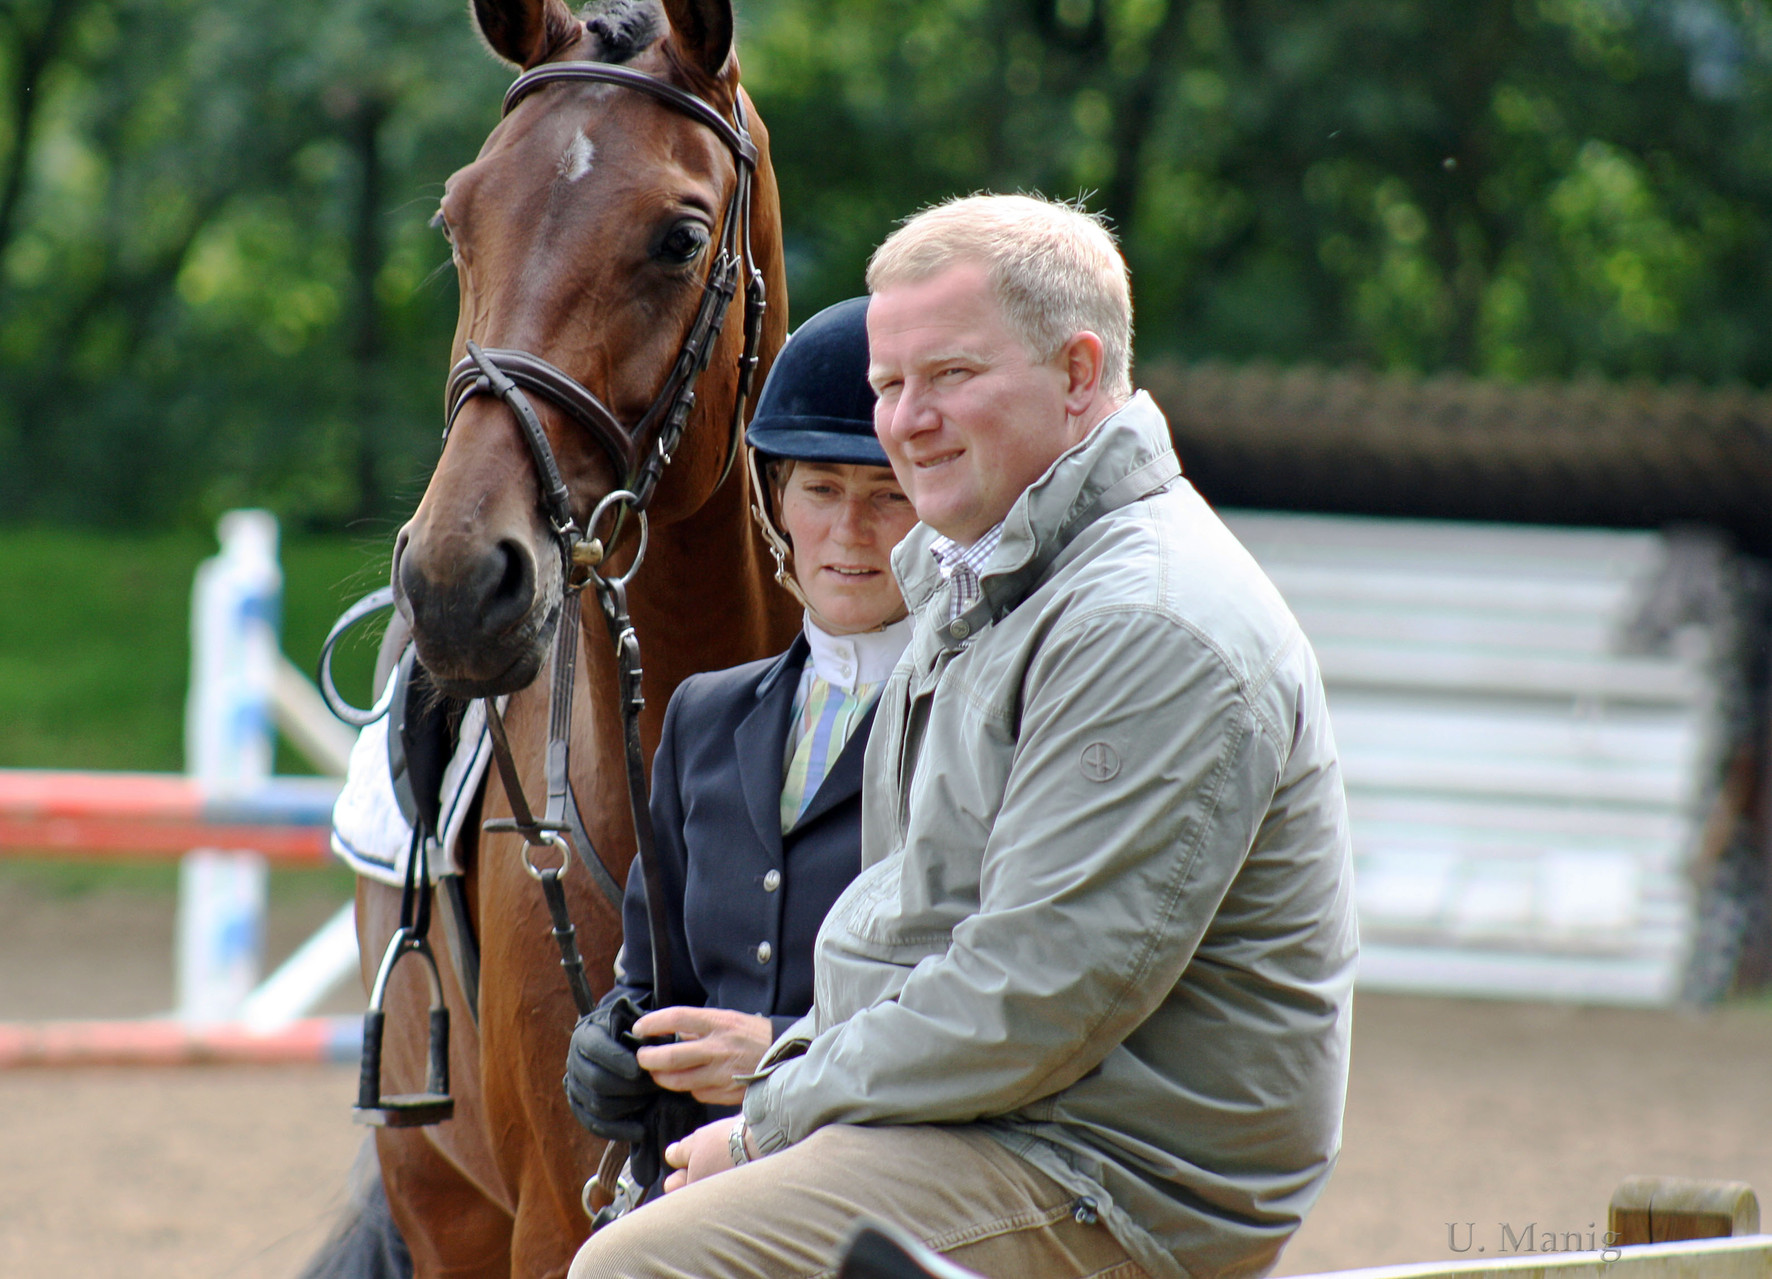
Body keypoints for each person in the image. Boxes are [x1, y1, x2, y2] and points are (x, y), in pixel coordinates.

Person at [567, 194, 1358, 1279]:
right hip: (1001, 1122)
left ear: (1079, 375)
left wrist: (770, 1112)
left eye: (949, 377)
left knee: (639, 1267)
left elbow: (1036, 988)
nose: (904, 418)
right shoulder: (987, 583)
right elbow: (910, 927)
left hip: (1108, 1175)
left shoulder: (1139, 619)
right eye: (890, 385)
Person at [562, 297, 920, 1211]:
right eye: (821, 490)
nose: (851, 530)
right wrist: (613, 1041)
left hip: (879, 1180)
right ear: (775, 501)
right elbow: (654, 970)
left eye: (889, 495)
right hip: (693, 1184)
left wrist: (777, 1045)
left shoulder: (978, 724)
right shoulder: (703, 716)